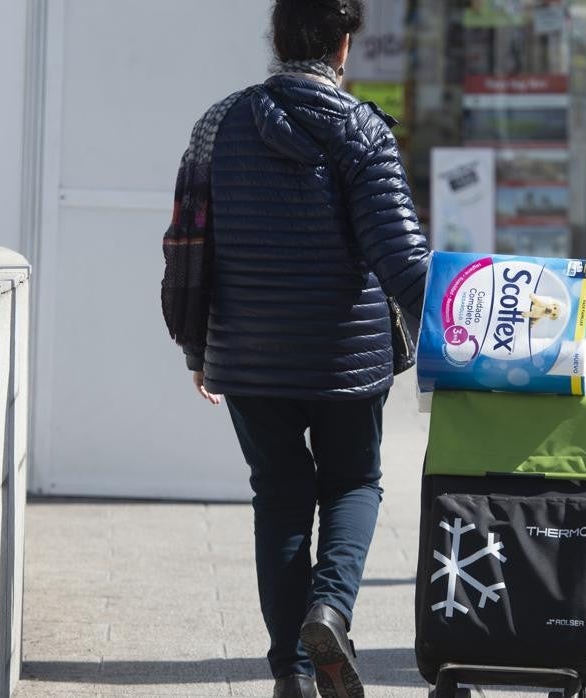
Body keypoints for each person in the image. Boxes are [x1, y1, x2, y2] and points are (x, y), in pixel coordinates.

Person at [161, 1, 430, 696]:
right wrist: (476, 326)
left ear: (276, 43)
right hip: (348, 358)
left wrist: (197, 345)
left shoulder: (217, 125)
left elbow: (189, 247)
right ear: (344, 47)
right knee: (352, 484)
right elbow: (402, 263)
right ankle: (329, 610)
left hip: (248, 358)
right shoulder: (363, 131)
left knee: (279, 500)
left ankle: (292, 674)